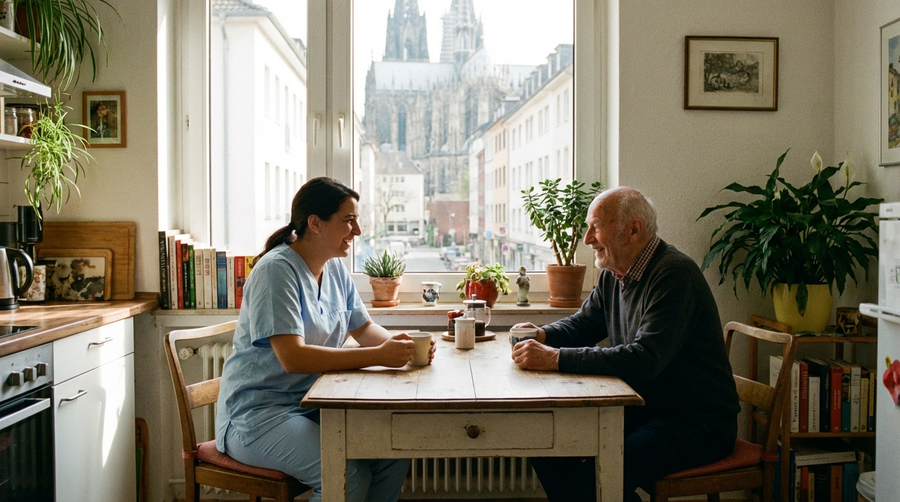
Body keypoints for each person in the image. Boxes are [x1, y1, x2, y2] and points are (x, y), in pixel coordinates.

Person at [510, 186, 740, 502]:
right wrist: (542, 335)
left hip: (696, 423)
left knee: (598, 473)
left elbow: (645, 360)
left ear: (633, 229)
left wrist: (555, 358)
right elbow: (583, 325)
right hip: (646, 409)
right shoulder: (614, 273)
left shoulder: (674, 274)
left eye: (596, 227)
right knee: (545, 441)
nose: (588, 238)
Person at [215, 177, 434, 502]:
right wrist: (380, 355)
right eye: (348, 220)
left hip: (315, 405)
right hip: (257, 416)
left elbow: (363, 329)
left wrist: (402, 347)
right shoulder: (275, 271)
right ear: (315, 223)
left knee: (391, 450)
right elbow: (294, 358)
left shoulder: (334, 270)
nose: (357, 231)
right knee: (347, 473)